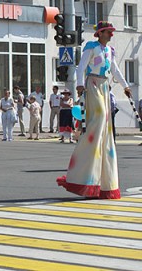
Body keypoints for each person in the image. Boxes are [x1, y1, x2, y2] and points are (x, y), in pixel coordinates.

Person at [58, 21, 131, 199]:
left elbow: (115, 70)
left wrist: (126, 86)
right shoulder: (91, 47)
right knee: (98, 118)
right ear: (100, 33)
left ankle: (102, 179)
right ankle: (87, 141)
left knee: (106, 126)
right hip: (92, 84)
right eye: (108, 32)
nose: (111, 34)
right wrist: (80, 85)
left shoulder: (109, 51)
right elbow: (81, 67)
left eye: (111, 32)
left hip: (104, 86)